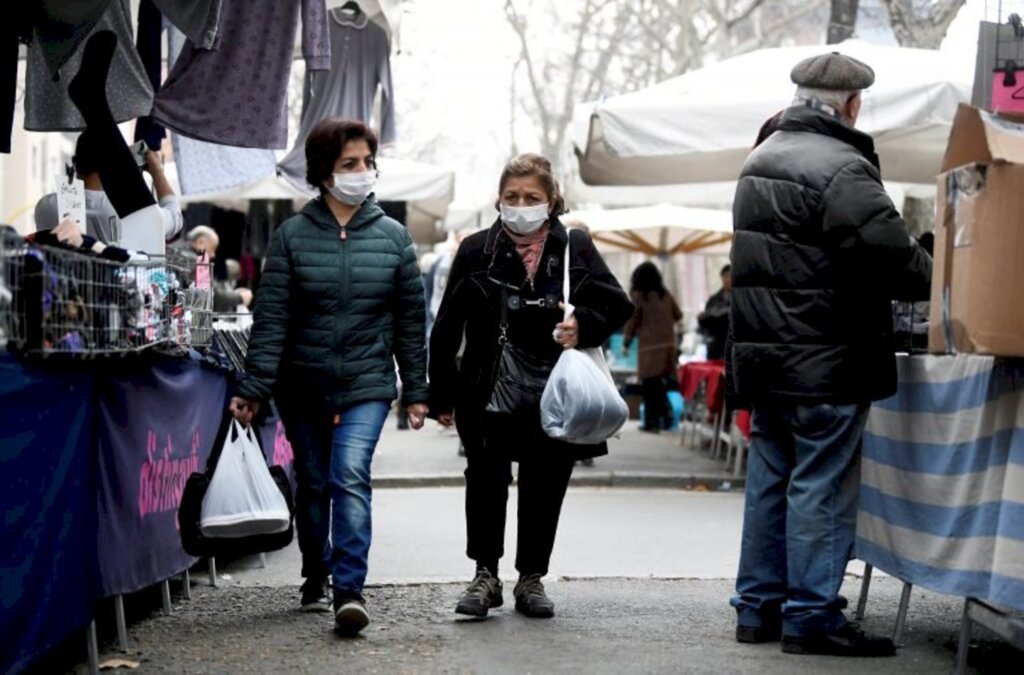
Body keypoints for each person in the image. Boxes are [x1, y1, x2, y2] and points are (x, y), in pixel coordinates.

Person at [728, 52, 932, 658]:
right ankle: (812, 615)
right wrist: (943, 273)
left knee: (770, 479)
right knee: (820, 483)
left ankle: (757, 608)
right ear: (851, 104)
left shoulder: (758, 160)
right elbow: (895, 260)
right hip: (827, 359)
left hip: (765, 360)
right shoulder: (842, 166)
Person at [229, 118, 429, 637]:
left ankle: (349, 591)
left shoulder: (395, 239)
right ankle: (314, 572)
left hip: (366, 385)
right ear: (323, 173)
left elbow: (411, 324)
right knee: (314, 486)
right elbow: (272, 322)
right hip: (302, 386)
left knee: (349, 477)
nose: (362, 172)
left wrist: (417, 391)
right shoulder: (292, 238)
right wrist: (254, 388)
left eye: (367, 162)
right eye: (349, 164)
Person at [429, 153, 633, 620]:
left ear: (551, 200)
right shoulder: (476, 249)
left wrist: (583, 325)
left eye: (532, 198)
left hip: (554, 392)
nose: (521, 206)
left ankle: (531, 579)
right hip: (485, 387)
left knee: (545, 483)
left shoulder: (573, 246)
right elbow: (447, 326)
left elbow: (616, 305)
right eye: (512, 197)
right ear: (499, 200)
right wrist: (440, 392)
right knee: (485, 480)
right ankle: (485, 575)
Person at [34, 120, 183, 248]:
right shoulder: (133, 208)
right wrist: (157, 170)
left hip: (57, 281)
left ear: (76, 163)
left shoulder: (46, 206)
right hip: (118, 281)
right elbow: (175, 218)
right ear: (117, 166)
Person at [622, 262, 682, 432]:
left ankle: (653, 422)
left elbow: (632, 321)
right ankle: (662, 418)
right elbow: (678, 315)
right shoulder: (665, 294)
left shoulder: (639, 296)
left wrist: (626, 342)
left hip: (650, 348)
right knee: (659, 385)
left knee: (649, 387)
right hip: (669, 347)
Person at [698, 264, 732, 361]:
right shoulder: (714, 299)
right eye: (725, 276)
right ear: (721, 278)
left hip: (733, 344)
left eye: (730, 275)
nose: (728, 279)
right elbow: (705, 324)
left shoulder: (741, 299)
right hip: (716, 345)